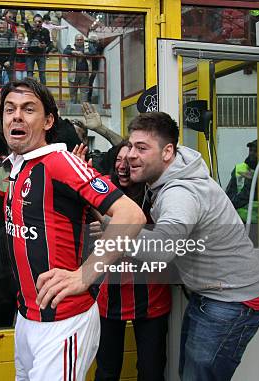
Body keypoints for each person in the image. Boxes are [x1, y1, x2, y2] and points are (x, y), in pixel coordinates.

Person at [39, 112, 259, 381]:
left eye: (142, 148)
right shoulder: (164, 175)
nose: (131, 155)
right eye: (131, 146)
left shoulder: (180, 194)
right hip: (211, 294)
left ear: (168, 151)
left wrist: (113, 230)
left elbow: (160, 249)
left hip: (231, 300)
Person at [0, 78, 145, 380]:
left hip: (64, 320)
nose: (16, 116)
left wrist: (85, 274)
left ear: (48, 121)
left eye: (28, 109)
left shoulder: (59, 161)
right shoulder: (17, 166)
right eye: (9, 109)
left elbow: (131, 215)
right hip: (28, 318)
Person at [87, 141, 171, 381]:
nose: (124, 166)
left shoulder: (154, 193)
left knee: (151, 371)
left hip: (150, 296)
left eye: (131, 160)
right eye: (119, 160)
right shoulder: (103, 189)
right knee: (106, 371)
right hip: (109, 294)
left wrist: (112, 231)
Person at [226, 139, 258, 224]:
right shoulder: (239, 169)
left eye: (255, 151)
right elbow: (229, 194)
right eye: (250, 150)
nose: (252, 153)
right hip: (240, 221)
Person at [64, 34, 91, 104]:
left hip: (85, 73)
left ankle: (84, 107)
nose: (79, 41)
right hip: (73, 73)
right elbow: (65, 51)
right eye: (77, 40)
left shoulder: (87, 46)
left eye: (81, 39)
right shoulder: (71, 46)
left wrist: (84, 54)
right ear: (75, 41)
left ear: (83, 40)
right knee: (72, 92)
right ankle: (73, 106)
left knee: (84, 92)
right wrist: (73, 52)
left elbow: (94, 52)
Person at [25, 14, 51, 84]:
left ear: (42, 22)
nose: (37, 23)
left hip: (41, 54)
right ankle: (30, 90)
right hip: (30, 54)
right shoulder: (30, 30)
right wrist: (34, 30)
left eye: (39, 22)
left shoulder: (45, 31)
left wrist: (45, 46)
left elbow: (49, 43)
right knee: (29, 74)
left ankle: (43, 91)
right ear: (33, 22)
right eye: (36, 22)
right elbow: (29, 39)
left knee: (42, 74)